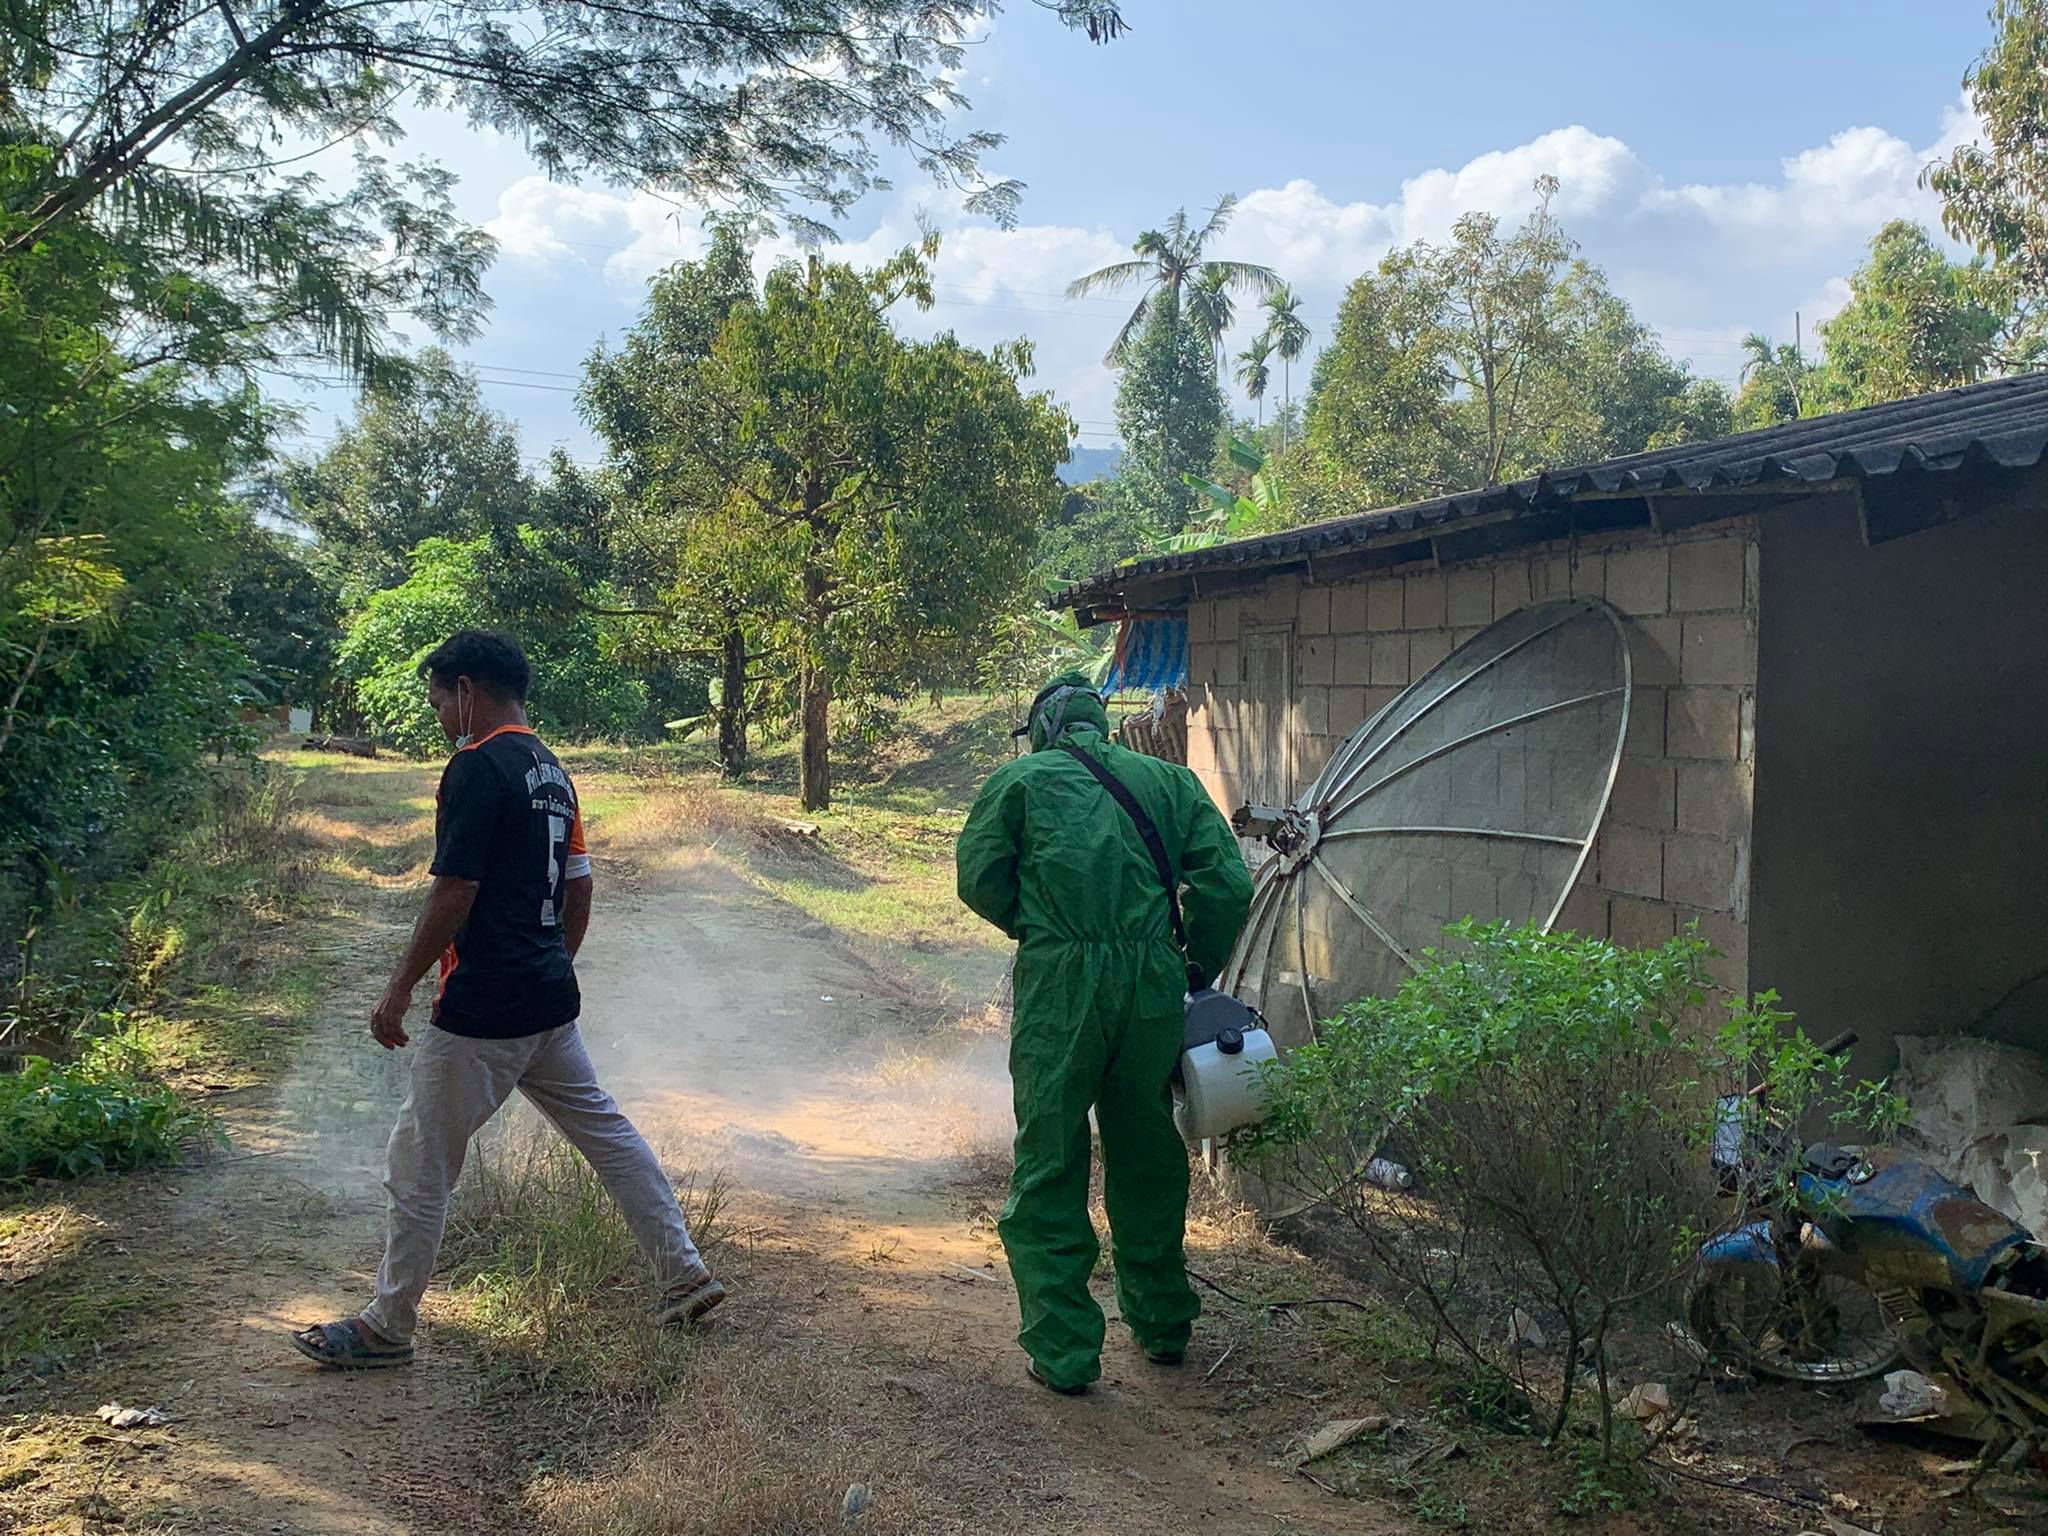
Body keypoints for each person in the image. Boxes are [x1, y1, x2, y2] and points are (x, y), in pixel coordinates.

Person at [290, 630, 722, 1368]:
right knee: (610, 1138)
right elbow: (579, 885)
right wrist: (549, 964)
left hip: (482, 1009)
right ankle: (684, 1273)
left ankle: (387, 1327)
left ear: (466, 690)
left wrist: (398, 989)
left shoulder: (476, 766)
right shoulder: (553, 772)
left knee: (419, 1166)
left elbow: (456, 888)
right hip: (548, 1002)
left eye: (437, 698)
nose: (436, 714)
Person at [956, 670, 1252, 1394]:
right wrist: (1191, 965)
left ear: (1045, 729)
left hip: (1061, 983)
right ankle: (1161, 1324)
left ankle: (1064, 1353)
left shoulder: (1019, 783)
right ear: (1100, 721)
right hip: (1151, 984)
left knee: (1051, 1156)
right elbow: (1229, 886)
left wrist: (1040, 925)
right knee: (1147, 1148)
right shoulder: (1171, 783)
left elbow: (978, 876)